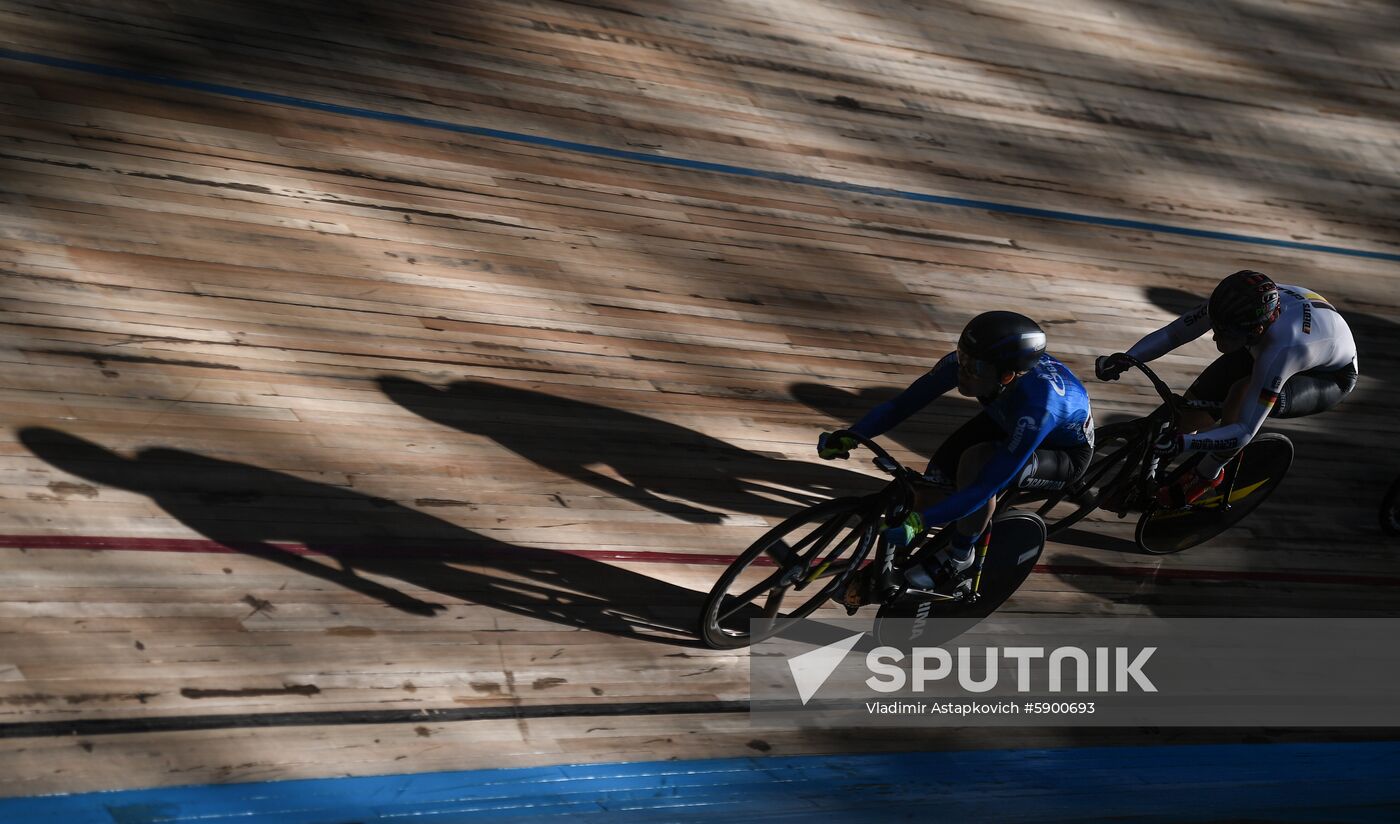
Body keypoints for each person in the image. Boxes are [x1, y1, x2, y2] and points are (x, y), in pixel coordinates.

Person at [819, 311, 1094, 599]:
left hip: (1061, 454)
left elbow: (985, 486)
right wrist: (853, 434)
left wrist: (921, 521)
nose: (962, 371)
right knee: (933, 480)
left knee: (978, 464)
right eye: (962, 357)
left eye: (973, 367)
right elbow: (902, 405)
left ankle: (959, 557)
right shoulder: (975, 365)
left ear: (1007, 375)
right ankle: (897, 567)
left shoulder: (1039, 409)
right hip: (1006, 419)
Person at [1096, 270, 1358, 507]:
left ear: (1255, 330)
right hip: (1274, 341)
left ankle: (1207, 475)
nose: (1214, 337)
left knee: (1241, 394)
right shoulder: (1235, 306)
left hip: (1326, 376)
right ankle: (1149, 480)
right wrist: (1126, 358)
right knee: (1184, 415)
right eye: (1215, 327)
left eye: (1225, 334)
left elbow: (1244, 430)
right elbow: (1175, 334)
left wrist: (1186, 443)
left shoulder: (1284, 348)